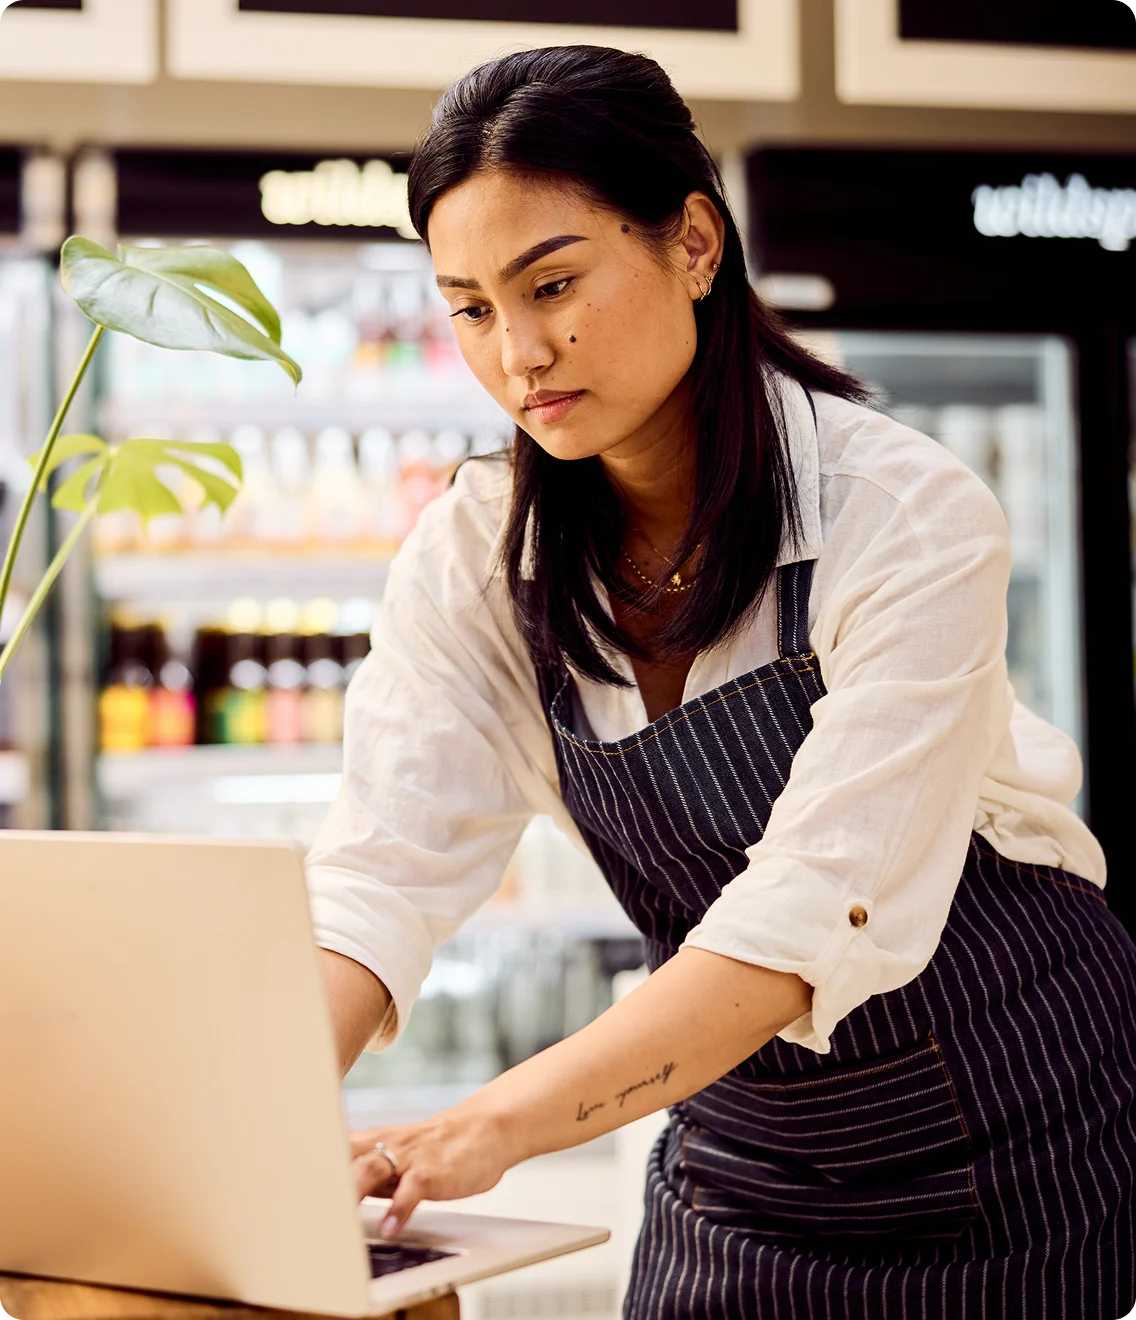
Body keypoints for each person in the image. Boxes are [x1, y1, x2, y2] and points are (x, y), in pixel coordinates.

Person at [305, 45, 1136, 1319]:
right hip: (744, 1153)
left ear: (693, 244)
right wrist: (246, 1109)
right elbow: (377, 874)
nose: (517, 352)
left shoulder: (900, 512)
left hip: (1026, 1133)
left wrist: (491, 1125)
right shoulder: (477, 556)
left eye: (554, 283)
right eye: (469, 307)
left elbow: (807, 911)